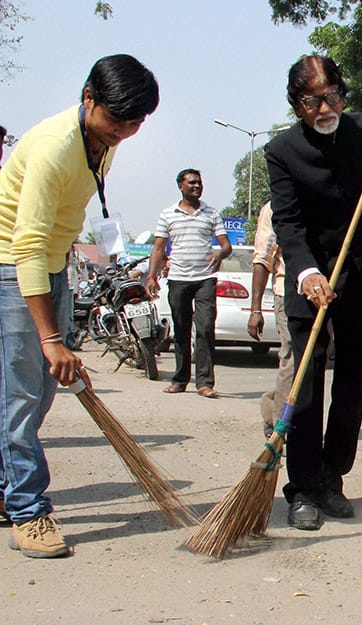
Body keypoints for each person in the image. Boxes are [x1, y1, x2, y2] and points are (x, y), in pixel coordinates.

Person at [0, 54, 158, 557]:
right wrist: (50, 338)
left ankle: (7, 488)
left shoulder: (102, 142)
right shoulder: (53, 147)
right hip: (15, 266)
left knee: (36, 391)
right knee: (23, 394)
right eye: (117, 119)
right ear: (88, 97)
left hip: (54, 263)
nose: (124, 132)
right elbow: (26, 246)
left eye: (135, 124)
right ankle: (27, 510)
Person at [265, 55, 362, 530]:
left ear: (343, 95)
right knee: (305, 387)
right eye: (312, 100)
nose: (324, 107)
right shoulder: (282, 151)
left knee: (350, 383)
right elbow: (288, 221)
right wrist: (306, 273)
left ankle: (333, 479)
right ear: (297, 103)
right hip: (310, 278)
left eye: (332, 96)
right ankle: (302, 488)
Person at [147, 169, 230, 398]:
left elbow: (226, 245)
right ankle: (180, 379)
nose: (196, 186)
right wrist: (151, 276)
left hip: (205, 279)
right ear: (180, 186)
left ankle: (204, 382)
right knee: (181, 329)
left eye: (199, 183)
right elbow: (158, 248)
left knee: (204, 328)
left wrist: (219, 255)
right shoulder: (168, 214)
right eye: (192, 183)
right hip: (178, 279)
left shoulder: (211, 213)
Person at [247, 201, 292, 437]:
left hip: (321, 295)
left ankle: (271, 405)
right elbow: (263, 259)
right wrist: (256, 310)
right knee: (292, 357)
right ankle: (280, 427)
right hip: (287, 292)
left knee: (312, 363)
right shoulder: (276, 207)